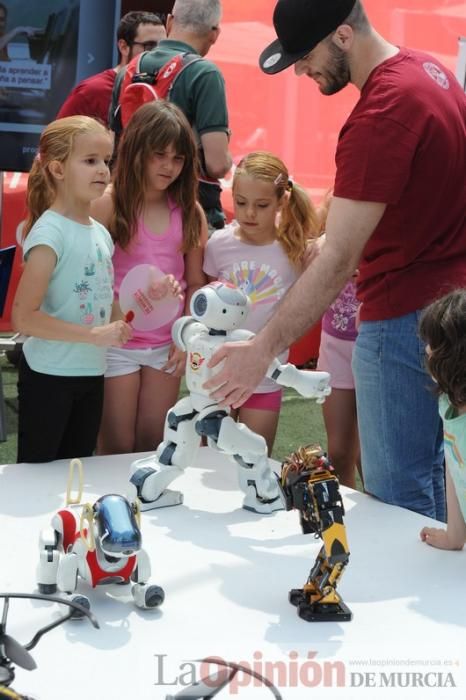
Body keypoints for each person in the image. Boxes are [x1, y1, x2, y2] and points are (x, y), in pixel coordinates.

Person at [204, 0, 466, 519]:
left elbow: (341, 257)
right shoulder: (430, 73)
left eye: (305, 55)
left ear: (343, 36)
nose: (301, 68)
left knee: (400, 496)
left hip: (401, 319)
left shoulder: (382, 112)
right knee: (441, 475)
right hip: (444, 307)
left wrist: (264, 348)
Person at [11, 116, 132, 463]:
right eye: (90, 160)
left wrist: (123, 317)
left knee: (77, 474)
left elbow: (104, 296)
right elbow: (25, 317)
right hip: (49, 378)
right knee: (37, 480)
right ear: (58, 169)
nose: (103, 170)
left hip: (91, 374)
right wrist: (93, 334)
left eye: (106, 161)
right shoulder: (50, 234)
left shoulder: (100, 233)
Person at [91, 100, 208, 455]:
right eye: (159, 155)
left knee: (152, 445)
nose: (169, 166)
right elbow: (94, 276)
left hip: (165, 348)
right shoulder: (108, 204)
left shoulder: (190, 211)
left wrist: (185, 336)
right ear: (137, 149)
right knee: (115, 445)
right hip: (116, 348)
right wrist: (113, 321)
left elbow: (196, 283)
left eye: (178, 158)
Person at [203, 151, 319, 455]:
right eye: (241, 203)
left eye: (262, 205)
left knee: (256, 461)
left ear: (282, 202)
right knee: (212, 460)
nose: (249, 213)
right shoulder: (218, 245)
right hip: (218, 372)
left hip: (268, 374)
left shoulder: (293, 249)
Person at [112, 0, 232, 232]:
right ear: (214, 33)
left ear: (169, 21)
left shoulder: (129, 70)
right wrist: (227, 156)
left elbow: (113, 147)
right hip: (188, 214)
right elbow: (216, 165)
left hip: (130, 209)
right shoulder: (205, 74)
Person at [316, 190, 361, 489]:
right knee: (340, 452)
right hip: (335, 350)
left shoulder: (387, 249)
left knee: (374, 459)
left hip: (376, 348)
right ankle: (346, 522)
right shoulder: (322, 248)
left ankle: (383, 521)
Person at [56, 11, 166, 125]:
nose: (159, 54)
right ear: (123, 47)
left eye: (164, 47)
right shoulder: (91, 92)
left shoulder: (167, 89)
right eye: (149, 46)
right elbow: (55, 140)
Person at [419, 290, 466, 551]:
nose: (427, 350)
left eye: (435, 343)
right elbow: (456, 467)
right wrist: (454, 536)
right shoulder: (448, 404)